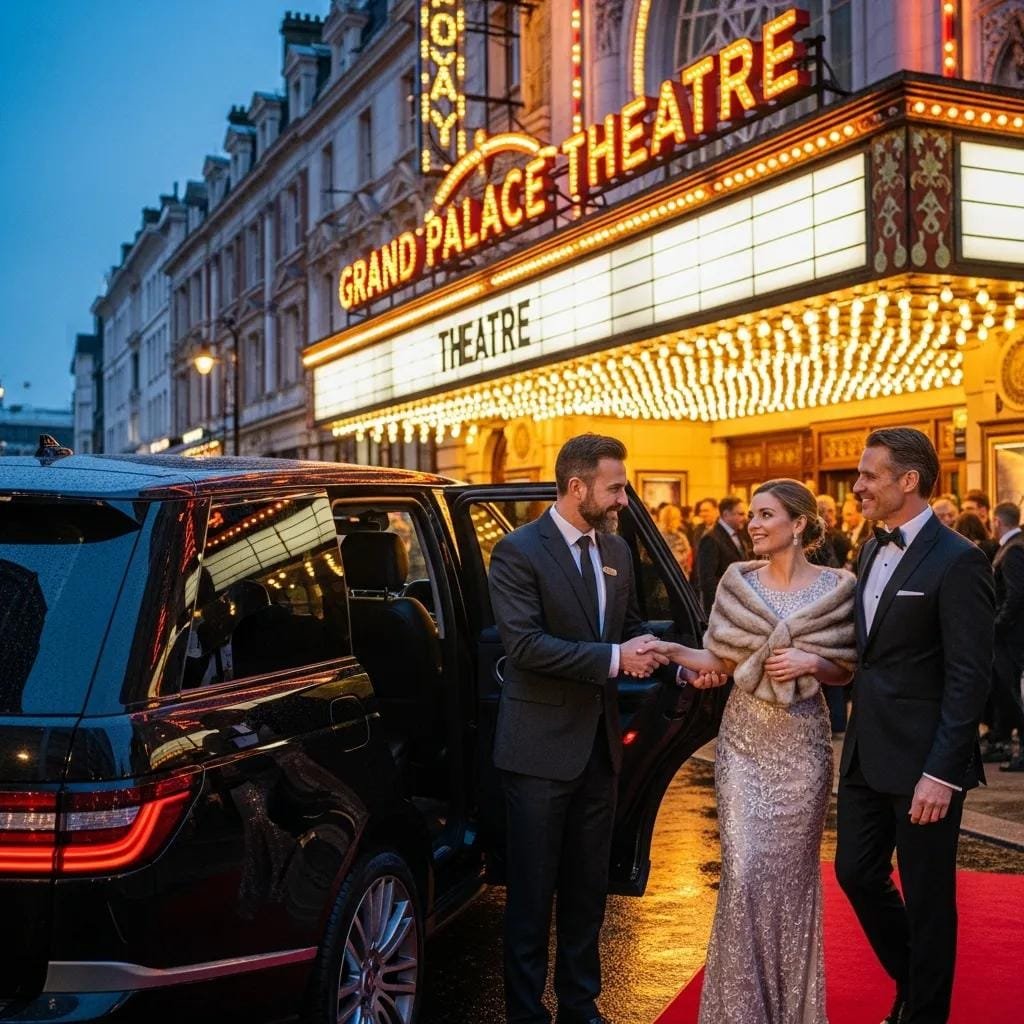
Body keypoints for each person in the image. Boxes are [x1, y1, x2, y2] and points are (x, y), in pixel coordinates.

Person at [641, 478, 856, 1024]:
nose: (754, 525)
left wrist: (811, 664)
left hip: (802, 751)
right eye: (753, 516)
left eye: (766, 515)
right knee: (744, 872)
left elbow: (847, 667)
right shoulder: (737, 584)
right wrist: (671, 652)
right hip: (743, 747)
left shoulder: (839, 588)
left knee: (792, 880)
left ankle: (792, 1011)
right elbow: (718, 661)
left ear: (799, 524)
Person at [487, 433, 672, 1024]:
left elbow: (635, 626)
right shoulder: (517, 551)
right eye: (615, 486)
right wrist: (618, 658)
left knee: (588, 891)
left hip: (599, 753)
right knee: (532, 895)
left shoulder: (614, 549)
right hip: (538, 752)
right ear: (577, 487)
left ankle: (580, 1007)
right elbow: (527, 646)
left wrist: (684, 661)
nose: (623, 497)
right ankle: (525, 1013)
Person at [836, 427, 994, 1024]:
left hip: (925, 763)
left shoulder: (961, 560)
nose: (858, 486)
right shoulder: (871, 549)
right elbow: (868, 654)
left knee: (929, 899)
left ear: (908, 481)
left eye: (869, 475)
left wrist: (942, 772)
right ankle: (914, 976)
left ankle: (924, 1012)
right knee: (854, 873)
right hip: (864, 754)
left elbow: (969, 677)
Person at [991, 501, 1024, 772]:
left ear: (997, 522)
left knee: (1014, 694)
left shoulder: (1013, 550)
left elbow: (1015, 596)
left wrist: (996, 625)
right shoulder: (1014, 546)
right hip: (1011, 636)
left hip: (1011, 639)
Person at [694, 495, 750, 614]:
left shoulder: (740, 534)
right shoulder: (711, 538)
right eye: (740, 514)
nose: (745, 518)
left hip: (738, 605)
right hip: (722, 608)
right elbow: (707, 581)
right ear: (726, 514)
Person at [657, 503, 693, 578]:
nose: (680, 520)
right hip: (678, 576)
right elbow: (687, 554)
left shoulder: (657, 535)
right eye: (677, 518)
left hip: (665, 574)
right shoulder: (680, 537)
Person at [842, 494, 872, 571]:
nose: (846, 519)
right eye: (844, 515)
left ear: (860, 513)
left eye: (849, 515)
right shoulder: (842, 532)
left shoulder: (869, 532)